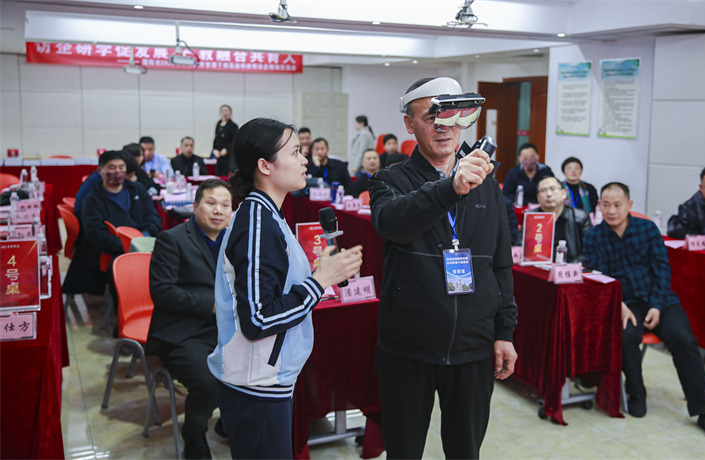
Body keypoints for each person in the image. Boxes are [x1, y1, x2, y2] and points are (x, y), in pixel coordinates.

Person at [369, 77, 518, 458]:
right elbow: (393, 223)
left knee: (465, 451)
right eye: (431, 117)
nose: (444, 127)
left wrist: (504, 331)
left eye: (452, 117)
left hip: (473, 346)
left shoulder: (487, 184)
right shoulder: (389, 180)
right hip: (408, 346)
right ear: (409, 124)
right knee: (403, 451)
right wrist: (451, 186)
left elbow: (501, 262)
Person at [207, 118, 363, 459]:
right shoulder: (257, 223)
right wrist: (320, 281)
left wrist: (321, 273)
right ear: (265, 166)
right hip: (255, 383)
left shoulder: (268, 215)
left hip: (267, 378)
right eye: (294, 152)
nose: (304, 160)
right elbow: (258, 319)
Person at [583, 182, 705, 444]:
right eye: (606, 205)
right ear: (599, 206)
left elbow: (662, 269)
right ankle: (636, 392)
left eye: (617, 204)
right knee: (626, 337)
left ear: (629, 205)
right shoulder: (594, 236)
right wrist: (617, 303)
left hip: (658, 298)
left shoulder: (647, 229)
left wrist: (656, 305)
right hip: (624, 301)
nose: (612, 210)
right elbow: (599, 275)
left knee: (684, 339)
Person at [147, 179, 233, 459]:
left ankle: (228, 423)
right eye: (211, 203)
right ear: (195, 206)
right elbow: (162, 291)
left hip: (227, 328)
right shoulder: (172, 239)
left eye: (225, 205)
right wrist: (212, 306)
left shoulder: (235, 241)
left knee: (260, 366)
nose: (218, 210)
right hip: (182, 332)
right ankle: (194, 435)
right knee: (209, 384)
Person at [63, 150, 162, 296]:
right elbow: (96, 235)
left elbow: (153, 216)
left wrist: (144, 236)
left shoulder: (137, 189)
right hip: (112, 250)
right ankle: (127, 305)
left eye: (121, 167)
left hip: (143, 244)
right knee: (126, 270)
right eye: (112, 167)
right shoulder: (92, 200)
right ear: (100, 171)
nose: (117, 172)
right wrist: (129, 245)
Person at [529, 176, 591, 263]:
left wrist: (569, 267)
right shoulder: (531, 217)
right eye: (543, 190)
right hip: (538, 266)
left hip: (570, 267)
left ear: (563, 194)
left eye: (553, 189)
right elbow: (520, 246)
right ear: (538, 198)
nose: (548, 194)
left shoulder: (581, 218)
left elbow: (589, 252)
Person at [212, 104, 239, 176]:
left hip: (229, 156)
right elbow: (216, 138)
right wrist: (214, 149)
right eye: (223, 111)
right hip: (219, 156)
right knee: (218, 174)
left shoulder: (233, 126)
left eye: (227, 111)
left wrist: (227, 149)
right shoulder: (218, 125)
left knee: (226, 175)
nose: (225, 113)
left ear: (230, 113)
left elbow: (235, 140)